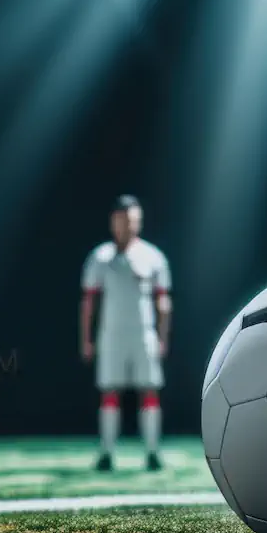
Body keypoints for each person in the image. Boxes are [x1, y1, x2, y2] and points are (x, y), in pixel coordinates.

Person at [81, 195, 172, 470]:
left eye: (133, 220)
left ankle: (152, 452)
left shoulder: (153, 256)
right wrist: (86, 338)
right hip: (111, 335)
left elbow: (163, 302)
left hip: (143, 334)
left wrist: (162, 336)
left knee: (150, 390)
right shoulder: (100, 257)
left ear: (139, 222)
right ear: (113, 222)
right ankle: (106, 452)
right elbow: (88, 302)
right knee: (109, 391)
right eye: (123, 220)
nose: (128, 225)